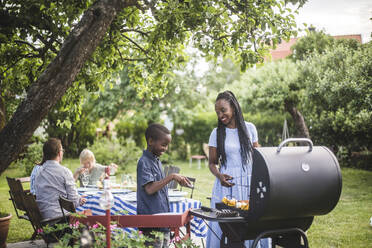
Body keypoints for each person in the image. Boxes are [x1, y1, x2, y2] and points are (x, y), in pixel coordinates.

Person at [206, 91, 271, 248]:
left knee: (252, 221)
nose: (220, 115)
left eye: (223, 110)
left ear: (233, 108)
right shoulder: (216, 133)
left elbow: (259, 157)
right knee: (228, 226)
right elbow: (212, 163)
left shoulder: (250, 128)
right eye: (217, 112)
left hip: (249, 183)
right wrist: (220, 176)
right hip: (227, 185)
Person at [137, 123, 191, 248]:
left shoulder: (156, 161)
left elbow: (159, 187)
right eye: (163, 144)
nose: (165, 148)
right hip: (151, 222)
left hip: (163, 220)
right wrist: (171, 176)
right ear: (150, 141)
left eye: (167, 145)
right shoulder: (144, 162)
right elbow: (150, 189)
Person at [34, 138, 86, 221]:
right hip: (59, 219)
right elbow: (74, 202)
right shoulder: (64, 172)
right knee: (89, 214)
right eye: (62, 150)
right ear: (59, 153)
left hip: (42, 217)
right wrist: (79, 200)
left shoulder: (39, 172)